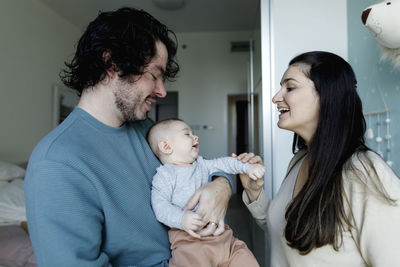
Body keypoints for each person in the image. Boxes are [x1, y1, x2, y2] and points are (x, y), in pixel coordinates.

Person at [24, 7, 233, 267]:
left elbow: (203, 167)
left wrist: (221, 187)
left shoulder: (145, 128)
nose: (161, 91)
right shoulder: (57, 163)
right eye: (154, 75)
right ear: (112, 63)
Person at [238, 51, 400, 266]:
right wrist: (254, 193)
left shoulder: (365, 173)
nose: (276, 97)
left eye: (290, 87)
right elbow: (289, 229)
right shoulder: (299, 161)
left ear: (326, 95)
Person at [147, 119, 264, 267]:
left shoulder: (202, 164)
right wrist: (181, 219)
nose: (195, 137)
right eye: (187, 134)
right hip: (190, 242)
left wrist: (248, 167)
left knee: (243, 255)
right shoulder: (164, 175)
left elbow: (225, 163)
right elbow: (160, 206)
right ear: (166, 146)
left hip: (223, 238)